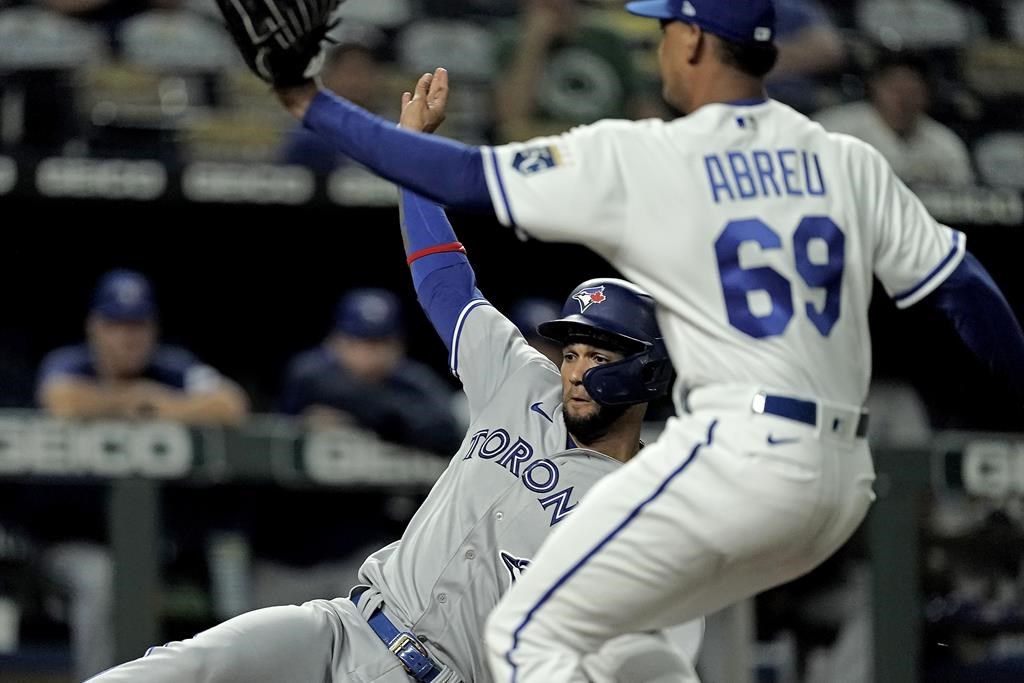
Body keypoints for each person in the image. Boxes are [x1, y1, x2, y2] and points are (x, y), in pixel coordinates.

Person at [216, 0, 1024, 679]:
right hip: (846, 477)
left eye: (665, 28)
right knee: (638, 635)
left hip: (746, 452)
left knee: (533, 635)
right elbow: (970, 291)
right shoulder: (847, 155)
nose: (659, 43)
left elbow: (463, 178)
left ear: (696, 41)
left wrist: (309, 102)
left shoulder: (653, 153)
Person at [84, 89, 703, 683]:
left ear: (646, 371)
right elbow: (443, 277)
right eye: (570, 352)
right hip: (344, 628)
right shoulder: (521, 380)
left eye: (596, 355)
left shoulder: (642, 510)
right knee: (179, 667)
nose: (574, 370)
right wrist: (411, 158)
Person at [33, 268, 248, 681]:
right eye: (116, 325)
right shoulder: (69, 362)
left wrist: (150, 403)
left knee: (229, 561)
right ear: (94, 327)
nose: (129, 337)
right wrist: (138, 399)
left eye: (138, 325)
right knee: (103, 578)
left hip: (163, 540)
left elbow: (230, 404)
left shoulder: (173, 367)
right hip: (72, 540)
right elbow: (61, 400)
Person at [279, 286, 461, 454]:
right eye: (360, 342)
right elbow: (277, 429)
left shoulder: (414, 380)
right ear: (336, 341)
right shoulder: (311, 375)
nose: (371, 354)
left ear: (399, 345)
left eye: (381, 343)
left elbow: (449, 431)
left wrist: (357, 420)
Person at [814, 50, 975, 187]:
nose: (903, 99)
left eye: (912, 91)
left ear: (927, 95)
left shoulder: (944, 143)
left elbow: (962, 199)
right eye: (895, 90)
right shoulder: (835, 128)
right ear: (874, 88)